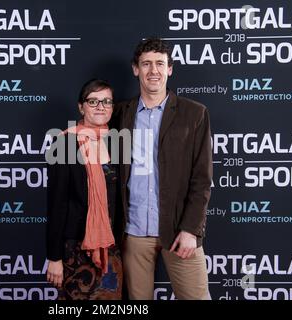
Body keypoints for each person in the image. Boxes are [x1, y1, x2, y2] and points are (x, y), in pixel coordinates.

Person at [113, 38, 212, 300]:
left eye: (160, 63)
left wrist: (192, 229)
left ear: (170, 69)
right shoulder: (120, 113)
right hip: (134, 233)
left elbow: (202, 179)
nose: (153, 70)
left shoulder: (194, 114)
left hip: (179, 231)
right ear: (136, 69)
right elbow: (91, 125)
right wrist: (70, 135)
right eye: (146, 64)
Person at [45, 79, 123, 300]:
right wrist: (54, 257)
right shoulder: (65, 144)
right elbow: (56, 204)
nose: (101, 107)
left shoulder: (117, 143)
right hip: (75, 250)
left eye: (106, 101)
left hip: (111, 248)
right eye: (93, 101)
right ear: (81, 107)